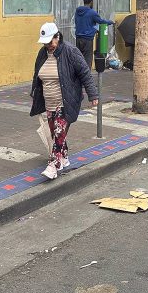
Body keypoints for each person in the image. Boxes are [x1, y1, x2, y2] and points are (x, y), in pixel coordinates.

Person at [30, 22, 98, 179]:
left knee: (59, 130)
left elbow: (85, 73)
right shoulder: (42, 53)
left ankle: (53, 165)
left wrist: (93, 94)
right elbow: (37, 74)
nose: (48, 45)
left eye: (50, 42)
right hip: (49, 101)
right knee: (55, 132)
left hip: (66, 100)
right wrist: (35, 91)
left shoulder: (70, 51)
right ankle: (64, 157)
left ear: (57, 37)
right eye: (45, 43)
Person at [74, 0, 114, 69]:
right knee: (87, 59)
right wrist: (110, 22)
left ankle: (79, 74)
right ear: (91, 2)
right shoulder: (92, 12)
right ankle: (86, 75)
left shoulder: (77, 11)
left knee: (79, 59)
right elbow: (101, 21)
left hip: (78, 38)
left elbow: (79, 22)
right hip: (87, 39)